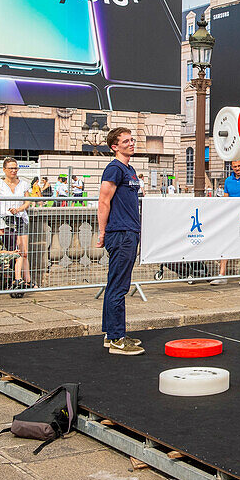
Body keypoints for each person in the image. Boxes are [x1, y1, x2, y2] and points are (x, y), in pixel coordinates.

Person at [96, 127, 144, 355]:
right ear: (115, 146)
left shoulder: (129, 169)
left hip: (129, 231)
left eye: (132, 139)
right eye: (126, 141)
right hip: (121, 233)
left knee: (115, 283)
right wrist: (102, 233)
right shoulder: (114, 169)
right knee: (119, 286)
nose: (131, 143)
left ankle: (111, 334)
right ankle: (116, 338)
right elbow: (104, 201)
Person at [0, 157, 33, 289]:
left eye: (15, 168)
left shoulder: (23, 184)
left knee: (24, 252)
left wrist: (18, 209)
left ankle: (28, 281)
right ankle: (12, 280)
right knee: (9, 251)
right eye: (11, 168)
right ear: (4, 170)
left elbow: (27, 202)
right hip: (4, 220)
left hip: (20, 218)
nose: (14, 170)